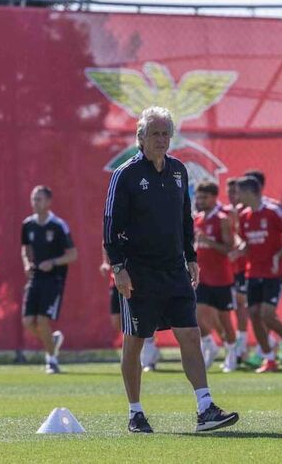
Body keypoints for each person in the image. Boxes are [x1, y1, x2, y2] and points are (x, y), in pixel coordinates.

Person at [103, 106, 239, 433]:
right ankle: (135, 412)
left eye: (166, 133)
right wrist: (118, 267)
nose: (162, 139)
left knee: (190, 334)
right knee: (135, 341)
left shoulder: (179, 171)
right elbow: (110, 224)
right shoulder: (126, 175)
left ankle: (205, 408)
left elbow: (184, 219)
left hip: (174, 270)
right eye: (155, 134)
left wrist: (191, 258)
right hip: (139, 272)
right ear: (141, 137)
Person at [232, 176, 282, 373]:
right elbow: (245, 241)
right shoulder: (244, 215)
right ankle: (269, 359)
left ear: (250, 192)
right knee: (253, 314)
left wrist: (279, 254)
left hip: (273, 272)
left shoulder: (274, 210)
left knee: (267, 314)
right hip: (253, 272)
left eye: (239, 192)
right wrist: (240, 249)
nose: (236, 196)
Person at [20, 185, 77, 374]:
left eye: (39, 199)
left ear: (48, 202)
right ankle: (51, 341)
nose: (35, 202)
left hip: (54, 280)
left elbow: (72, 255)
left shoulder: (58, 225)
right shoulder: (28, 224)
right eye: (33, 198)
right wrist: (27, 263)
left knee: (42, 320)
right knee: (29, 322)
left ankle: (51, 360)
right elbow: (25, 248)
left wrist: (53, 262)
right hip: (35, 278)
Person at [193, 181, 238, 372]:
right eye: (199, 197)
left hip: (221, 278)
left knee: (225, 320)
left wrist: (209, 242)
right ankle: (209, 344)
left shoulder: (222, 219)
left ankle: (232, 355)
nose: (200, 201)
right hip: (202, 277)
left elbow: (229, 248)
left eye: (204, 197)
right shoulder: (197, 219)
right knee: (195, 314)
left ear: (213, 197)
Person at [100, 248, 161, 371]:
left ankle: (148, 351)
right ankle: (147, 349)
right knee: (117, 321)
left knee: (142, 317)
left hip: (138, 277)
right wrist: (105, 262)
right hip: (117, 279)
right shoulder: (111, 228)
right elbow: (107, 243)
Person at [223, 178, 250, 362]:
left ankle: (242, 345)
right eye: (230, 191)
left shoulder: (245, 212)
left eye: (236, 192)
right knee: (227, 309)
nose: (233, 195)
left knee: (242, 305)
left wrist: (239, 249)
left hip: (243, 267)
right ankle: (235, 347)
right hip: (226, 269)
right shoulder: (223, 213)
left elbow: (243, 238)